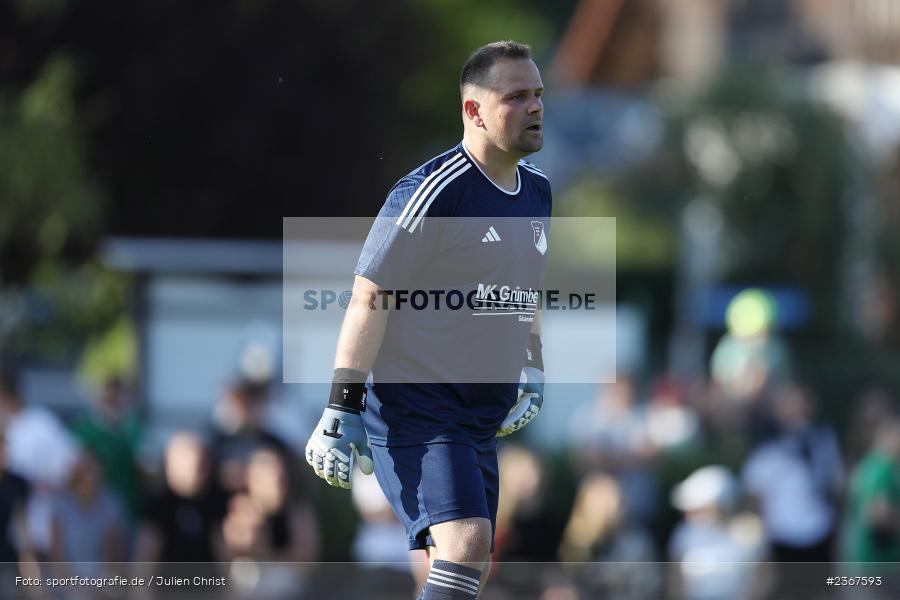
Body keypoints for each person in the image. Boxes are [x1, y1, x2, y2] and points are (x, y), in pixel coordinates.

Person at [304, 40, 550, 600]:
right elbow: (370, 295)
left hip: (477, 415)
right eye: (516, 96)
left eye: (538, 94)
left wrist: (531, 366)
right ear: (474, 111)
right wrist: (342, 404)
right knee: (466, 542)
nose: (535, 107)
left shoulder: (537, 190)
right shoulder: (432, 191)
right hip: (417, 406)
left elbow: (525, 287)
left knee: (468, 563)